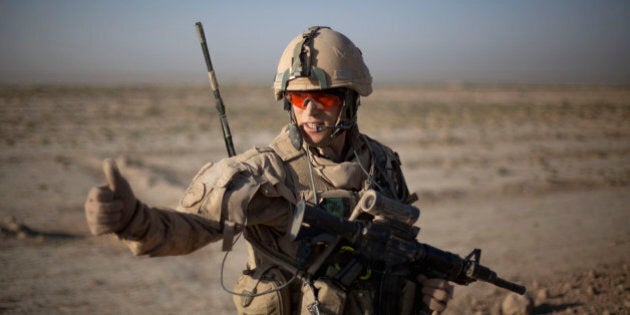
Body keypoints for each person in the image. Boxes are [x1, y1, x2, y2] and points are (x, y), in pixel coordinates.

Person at [85, 26, 454, 314]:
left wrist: (427, 287)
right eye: (297, 98)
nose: (309, 110)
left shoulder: (383, 163)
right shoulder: (265, 172)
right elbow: (191, 227)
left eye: (324, 98)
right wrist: (135, 222)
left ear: (351, 101)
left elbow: (403, 250)